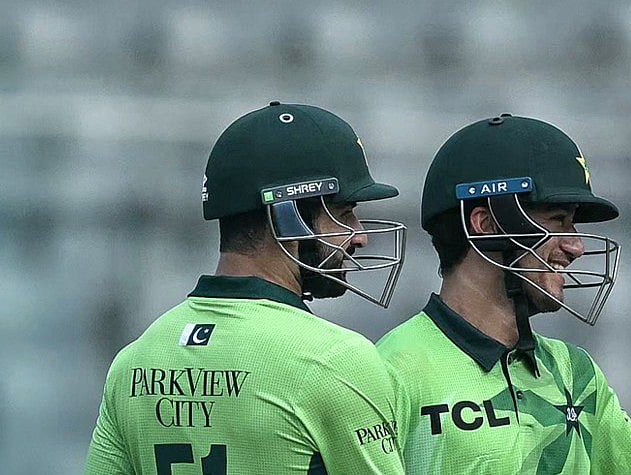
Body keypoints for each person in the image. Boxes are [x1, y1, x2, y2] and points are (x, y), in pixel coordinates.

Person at [377, 114, 631, 474]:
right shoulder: (391, 371)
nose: (576, 246)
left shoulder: (574, 373)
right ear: (487, 224)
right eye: (558, 221)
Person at [85, 101, 407, 474]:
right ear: (289, 217)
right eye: (344, 214)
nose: (360, 236)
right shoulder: (336, 359)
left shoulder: (134, 361)